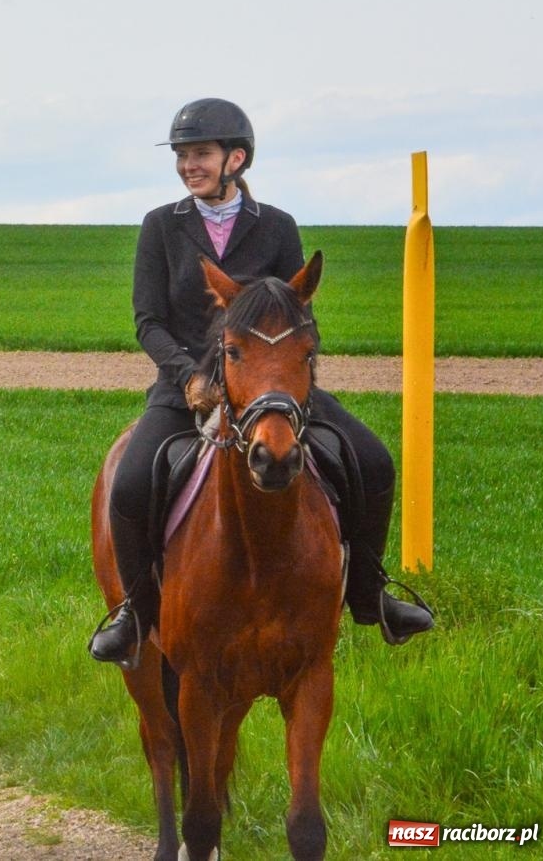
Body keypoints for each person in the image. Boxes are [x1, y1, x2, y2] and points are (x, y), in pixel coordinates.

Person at [88, 97, 434, 668]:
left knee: (373, 461)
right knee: (128, 486)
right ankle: (135, 614)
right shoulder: (159, 228)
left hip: (273, 392)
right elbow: (148, 320)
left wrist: (285, 381)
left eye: (200, 154)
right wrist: (190, 377)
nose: (187, 165)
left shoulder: (276, 227)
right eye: (181, 156)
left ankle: (370, 594)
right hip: (187, 391)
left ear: (236, 158)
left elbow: (298, 313)